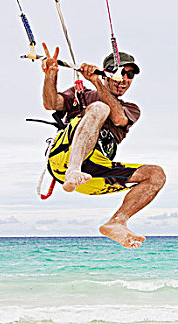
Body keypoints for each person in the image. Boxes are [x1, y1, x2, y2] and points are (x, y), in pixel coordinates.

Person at [40, 43, 166, 249]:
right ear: (108, 73)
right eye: (121, 73)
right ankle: (74, 169)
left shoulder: (130, 108)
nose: (125, 79)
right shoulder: (82, 95)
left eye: (130, 75)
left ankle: (117, 222)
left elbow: (117, 119)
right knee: (98, 107)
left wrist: (97, 83)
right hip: (64, 160)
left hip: (95, 173)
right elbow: (51, 103)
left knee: (156, 174)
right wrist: (50, 75)